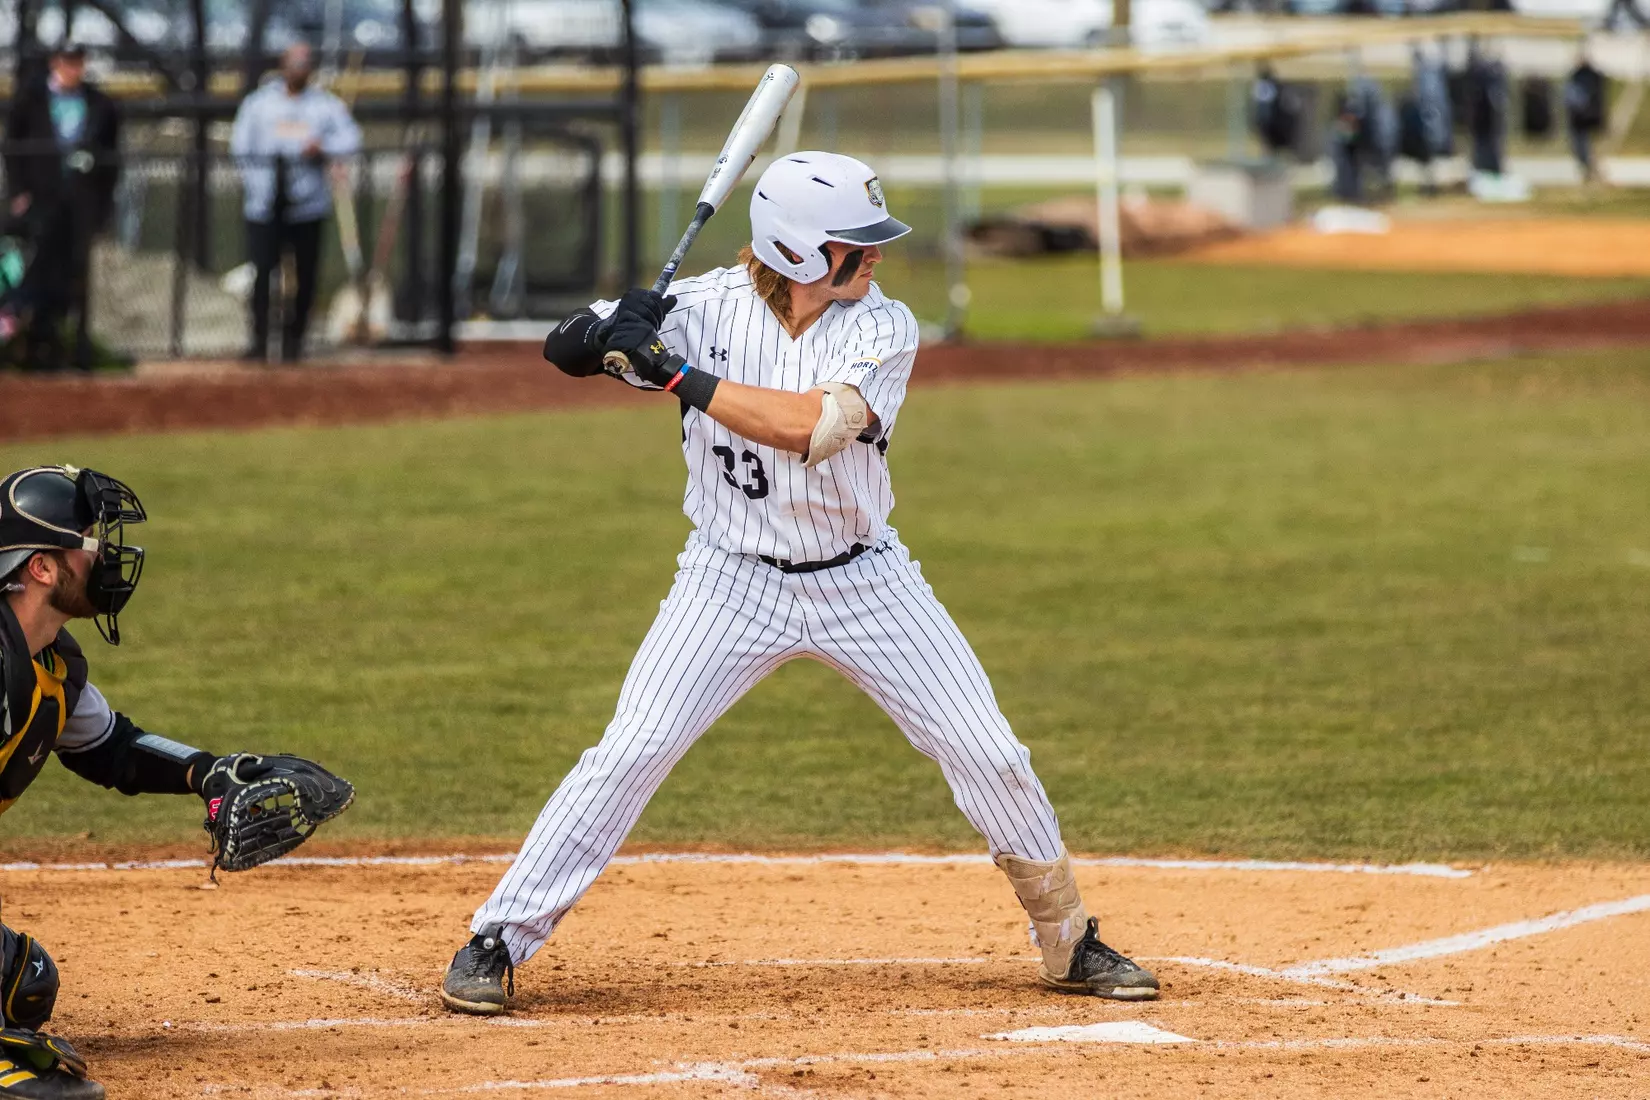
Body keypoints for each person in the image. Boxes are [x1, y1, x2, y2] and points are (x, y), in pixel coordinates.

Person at [438, 152, 1160, 1017]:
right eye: (858, 246)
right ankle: (496, 939)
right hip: (728, 581)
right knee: (630, 751)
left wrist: (667, 371)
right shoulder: (699, 306)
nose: (876, 258)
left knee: (992, 754)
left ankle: (1068, 941)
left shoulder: (883, 329)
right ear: (799, 252)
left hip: (867, 584)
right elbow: (562, 346)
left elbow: (809, 427)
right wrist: (606, 336)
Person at [0, 465, 354, 1099]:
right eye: (88, 542)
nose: (106, 555)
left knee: (20, 982)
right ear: (42, 568)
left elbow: (112, 747)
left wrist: (209, 772)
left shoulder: (47, 665)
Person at [230, 42, 361, 363]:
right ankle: (259, 341)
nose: (299, 70)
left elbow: (351, 139)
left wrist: (324, 146)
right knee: (263, 275)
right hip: (265, 205)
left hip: (307, 205)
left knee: (305, 274)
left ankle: (294, 342)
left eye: (305, 64)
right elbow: (240, 147)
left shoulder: (325, 106)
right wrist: (258, 184)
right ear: (282, 66)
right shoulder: (258, 104)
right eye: (294, 64)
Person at [1, 43, 121, 372]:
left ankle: (73, 348)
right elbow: (13, 148)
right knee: (36, 271)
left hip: (81, 204)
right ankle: (33, 347)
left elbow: (112, 159)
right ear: (55, 62)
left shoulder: (99, 103)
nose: (73, 68)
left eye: (78, 61)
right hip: (42, 201)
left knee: (75, 277)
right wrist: (19, 192)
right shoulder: (31, 100)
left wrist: (103, 204)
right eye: (68, 61)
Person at [1565, 52, 1607, 186]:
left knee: (1587, 147)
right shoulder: (1584, 76)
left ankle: (1593, 172)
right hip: (1584, 118)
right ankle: (1590, 172)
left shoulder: (1585, 76)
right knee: (1583, 147)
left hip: (1586, 118)